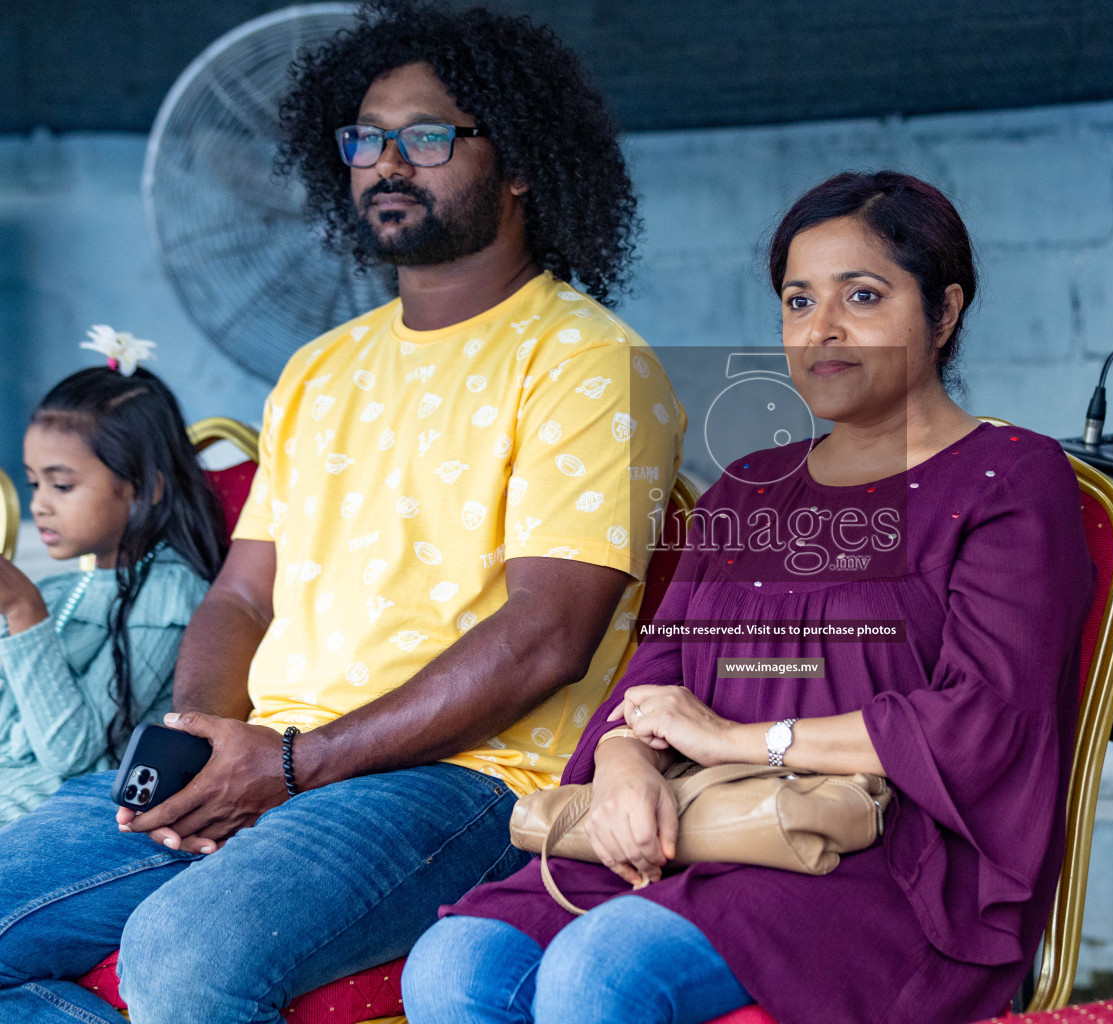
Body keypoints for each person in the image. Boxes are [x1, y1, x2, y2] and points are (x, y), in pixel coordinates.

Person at [0, 4, 682, 1023]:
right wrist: (203, 741)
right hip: (272, 752)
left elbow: (546, 637)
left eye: (427, 136)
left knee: (184, 953)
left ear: (522, 161)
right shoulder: (319, 370)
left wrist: (284, 768)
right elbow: (241, 591)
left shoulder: (587, 363)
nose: (385, 162)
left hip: (463, 781)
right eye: (364, 138)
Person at [401, 171, 1096, 1024]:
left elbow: (980, 720)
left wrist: (742, 738)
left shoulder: (1008, 478)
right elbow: (650, 677)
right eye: (798, 302)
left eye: (864, 296)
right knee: (453, 967)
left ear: (944, 312)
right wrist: (623, 771)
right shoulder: (753, 487)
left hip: (887, 862)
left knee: (602, 971)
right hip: (699, 829)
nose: (824, 329)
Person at [0, 360, 224, 825]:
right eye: (34, 482)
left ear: (144, 490)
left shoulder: (170, 596)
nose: (39, 504)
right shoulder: (62, 590)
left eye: (62, 485)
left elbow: (74, 756)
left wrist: (24, 612)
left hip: (54, 819)